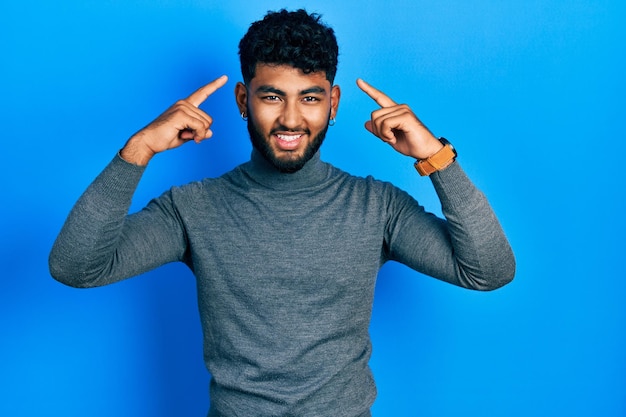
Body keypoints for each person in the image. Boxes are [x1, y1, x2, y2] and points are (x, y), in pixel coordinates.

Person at [49, 9, 515, 417]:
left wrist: (435, 157)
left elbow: (488, 271)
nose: (291, 119)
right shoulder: (191, 208)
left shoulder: (377, 207)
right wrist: (138, 150)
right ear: (242, 101)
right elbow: (76, 267)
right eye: (272, 96)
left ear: (332, 104)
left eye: (309, 97)